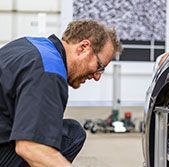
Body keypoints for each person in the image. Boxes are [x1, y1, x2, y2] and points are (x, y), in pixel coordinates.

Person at [0, 20, 122, 166]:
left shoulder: (31, 45)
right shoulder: (49, 71)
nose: (97, 77)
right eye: (99, 66)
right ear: (83, 47)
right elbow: (30, 147)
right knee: (71, 137)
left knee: (68, 131)